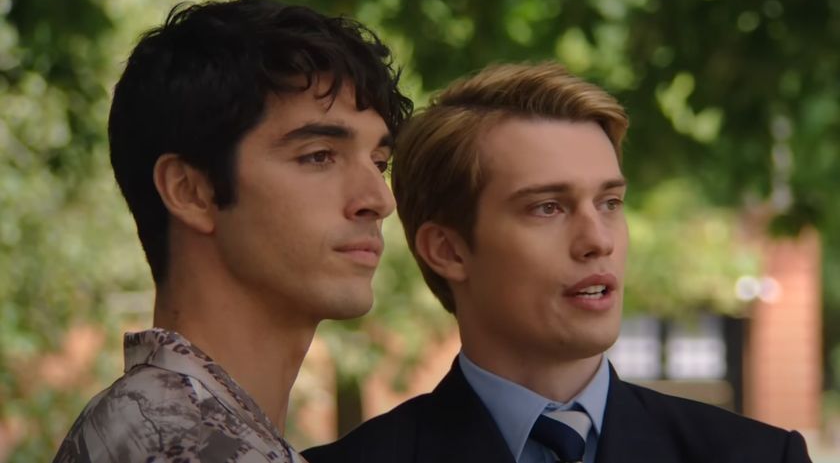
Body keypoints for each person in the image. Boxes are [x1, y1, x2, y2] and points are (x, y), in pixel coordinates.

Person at [302, 62, 811, 463]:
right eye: (548, 207)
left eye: (610, 203)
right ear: (448, 250)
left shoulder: (760, 455)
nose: (597, 240)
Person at [53, 0, 411, 462]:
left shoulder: (188, 427)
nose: (379, 201)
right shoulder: (177, 443)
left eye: (379, 164)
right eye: (319, 156)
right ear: (191, 191)